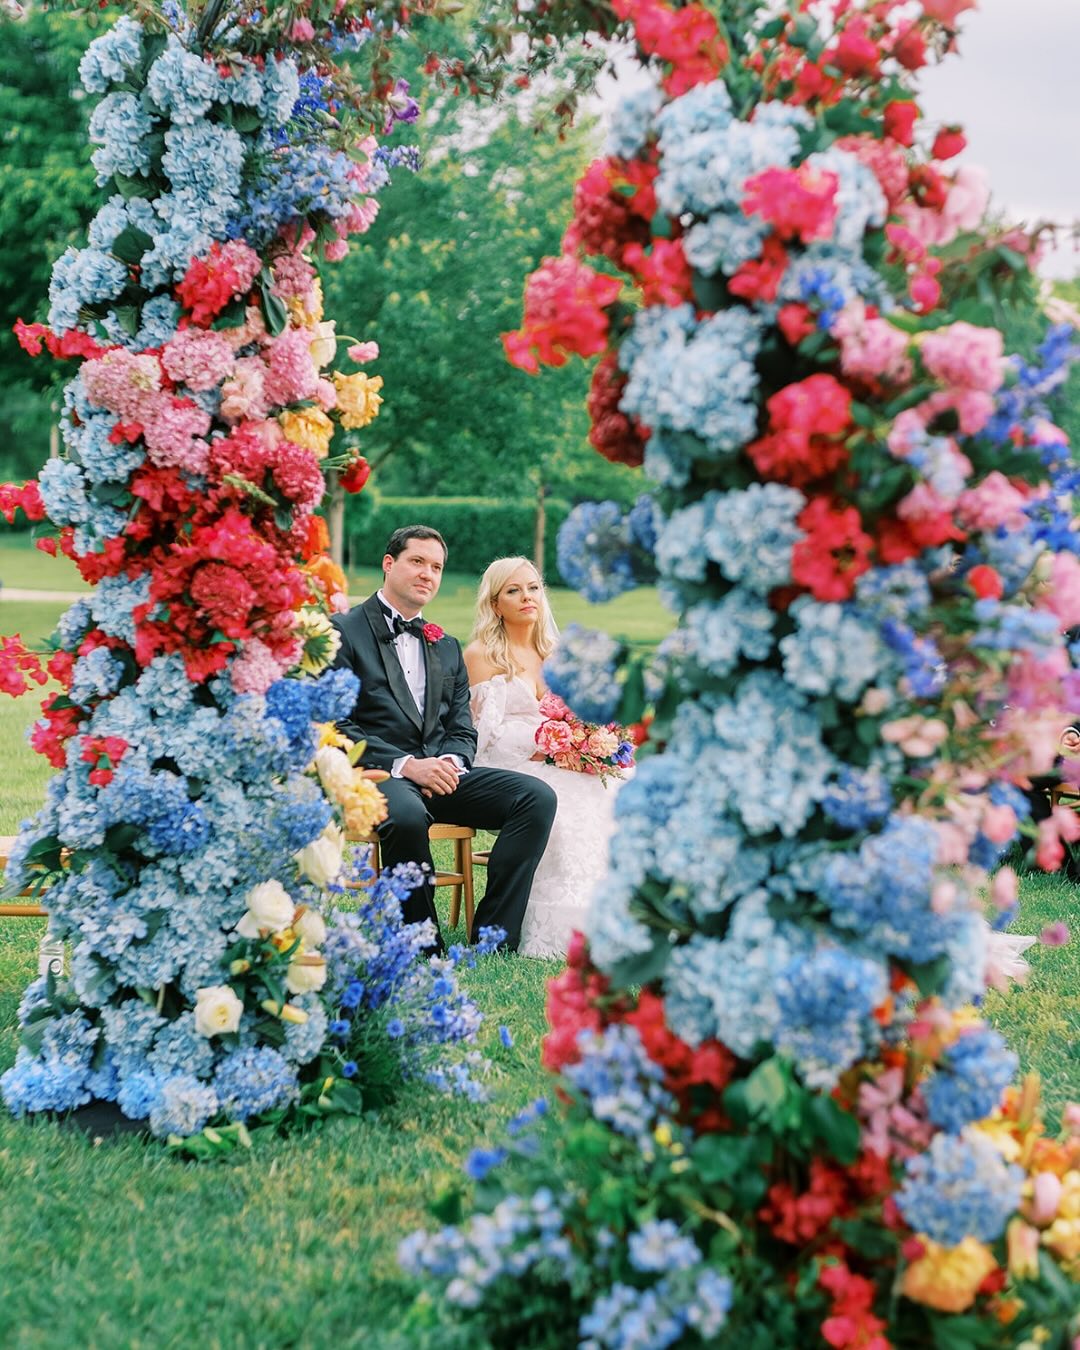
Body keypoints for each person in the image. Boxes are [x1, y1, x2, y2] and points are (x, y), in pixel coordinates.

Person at [331, 526, 557, 954]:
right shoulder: (343, 632)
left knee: (535, 797)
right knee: (408, 814)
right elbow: (337, 724)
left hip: (441, 773)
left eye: (436, 567)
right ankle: (421, 944)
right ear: (388, 563)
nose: (428, 575)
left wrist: (453, 762)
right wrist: (407, 765)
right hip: (378, 773)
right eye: (417, 562)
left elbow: (461, 727)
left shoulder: (446, 645)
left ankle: (493, 939)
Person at [463, 556, 627, 959]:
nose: (526, 597)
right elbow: (482, 735)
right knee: (566, 797)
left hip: (556, 757)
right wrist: (545, 744)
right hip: (506, 764)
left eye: (533, 587)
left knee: (617, 787)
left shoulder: (557, 654)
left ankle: (621, 917)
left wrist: (586, 741)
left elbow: (584, 712)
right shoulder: (482, 655)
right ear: (495, 602)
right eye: (513, 591)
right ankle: (563, 921)